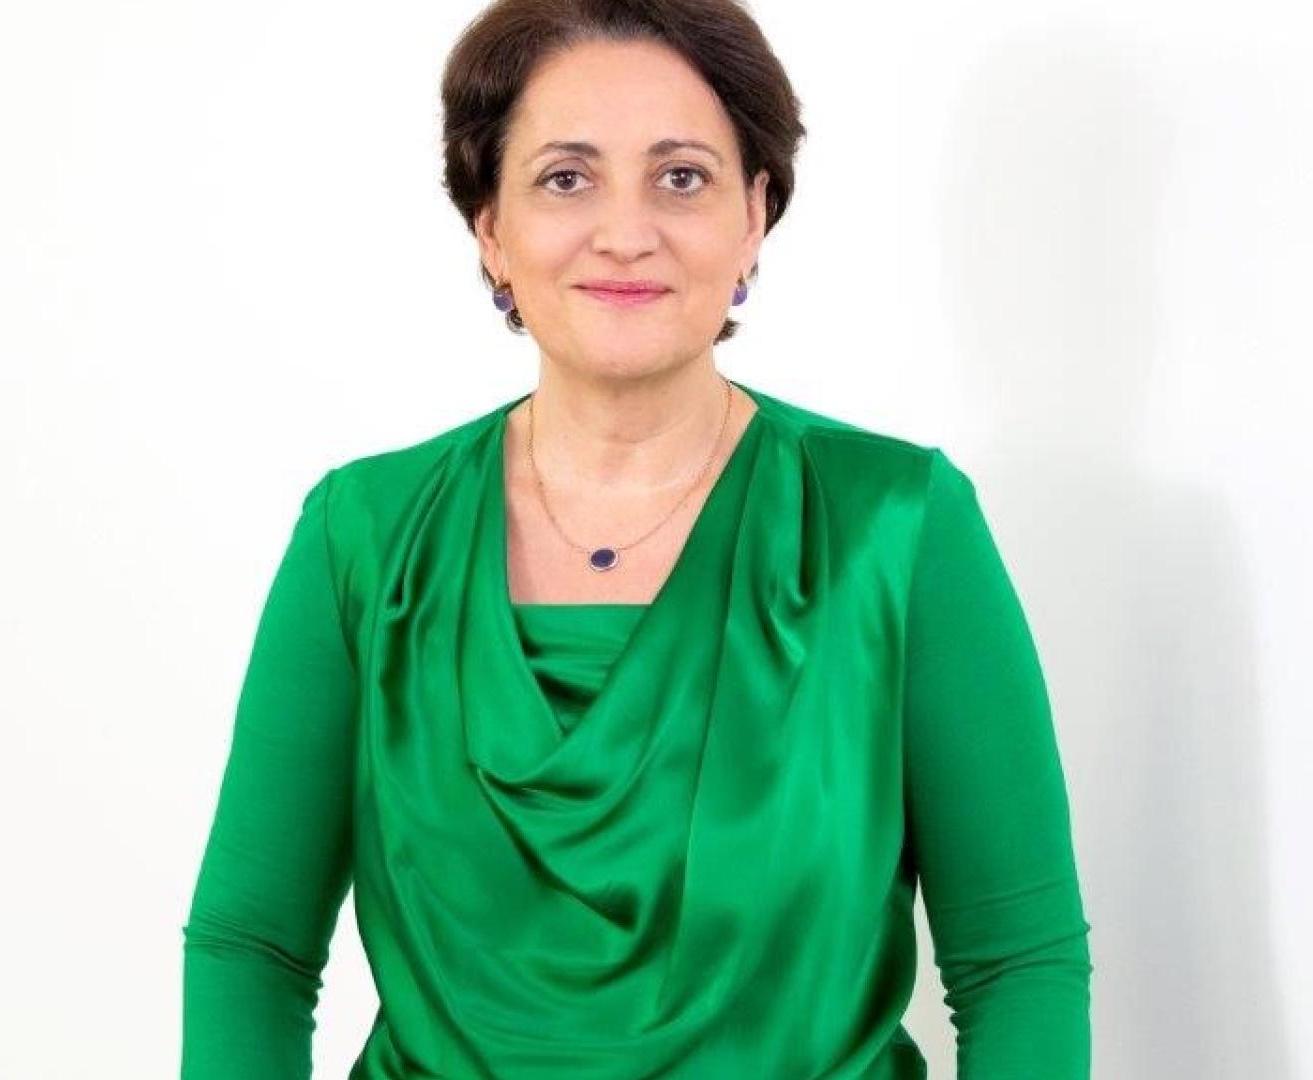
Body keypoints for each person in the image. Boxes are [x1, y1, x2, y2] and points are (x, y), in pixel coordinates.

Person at [180, 1, 1092, 1076]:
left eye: (682, 177)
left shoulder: (900, 528)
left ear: (754, 214)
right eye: (567, 177)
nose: (626, 232)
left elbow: (1017, 963)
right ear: (491, 227)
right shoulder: (362, 537)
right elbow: (254, 947)